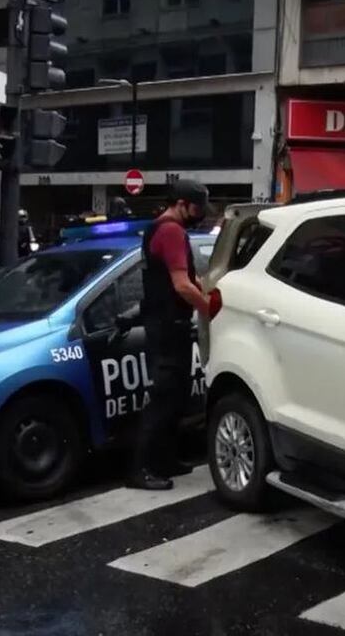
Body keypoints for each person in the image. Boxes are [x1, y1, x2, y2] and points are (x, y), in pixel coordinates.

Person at [127, 180, 213, 490]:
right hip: (167, 327)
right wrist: (210, 309)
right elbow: (182, 285)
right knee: (163, 399)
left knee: (175, 396)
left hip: (162, 323)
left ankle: (164, 461)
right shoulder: (172, 231)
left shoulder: (157, 228)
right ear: (181, 203)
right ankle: (141, 470)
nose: (200, 214)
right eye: (197, 207)